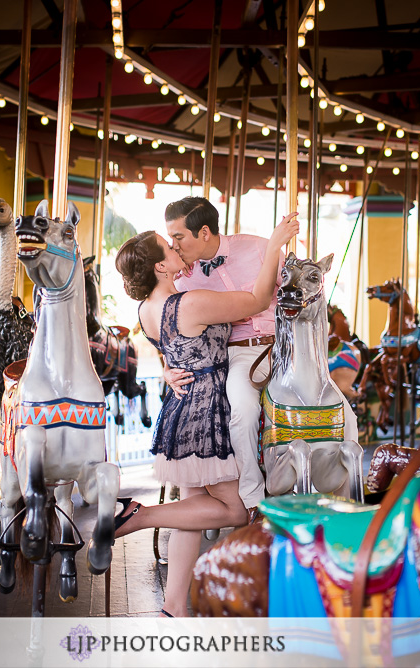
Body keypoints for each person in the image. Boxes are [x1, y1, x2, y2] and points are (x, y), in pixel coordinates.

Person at [112, 211, 300, 617]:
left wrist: (165, 368)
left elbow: (169, 347)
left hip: (179, 410)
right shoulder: (190, 302)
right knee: (234, 509)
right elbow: (256, 301)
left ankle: (174, 605)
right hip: (206, 408)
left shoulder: (148, 309)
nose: (176, 246)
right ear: (161, 265)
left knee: (191, 509)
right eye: (169, 246)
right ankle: (140, 517)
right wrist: (273, 247)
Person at [164, 197, 283, 521]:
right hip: (241, 352)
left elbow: (298, 291)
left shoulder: (259, 248)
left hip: (286, 345)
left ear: (204, 232)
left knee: (338, 407)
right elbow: (169, 332)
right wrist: (167, 368)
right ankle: (254, 501)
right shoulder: (182, 279)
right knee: (243, 411)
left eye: (178, 237)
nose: (173, 246)